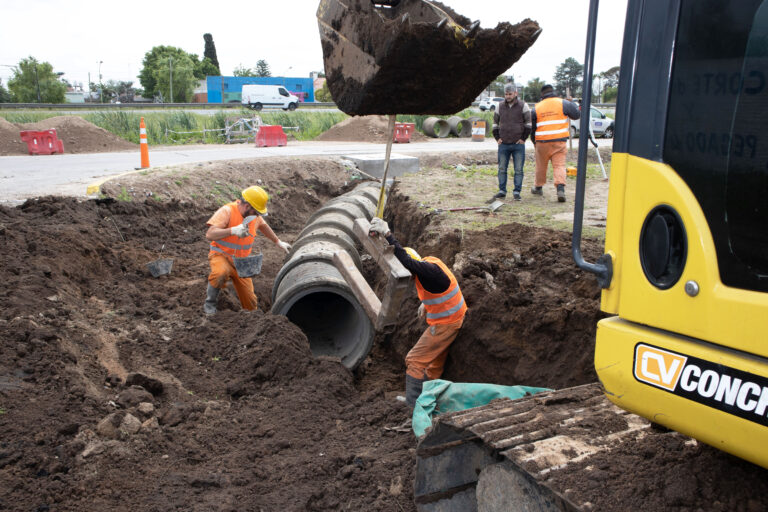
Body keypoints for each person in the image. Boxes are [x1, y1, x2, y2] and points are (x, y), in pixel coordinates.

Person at [368, 217, 467, 406]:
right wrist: (427, 305)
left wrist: (387, 234)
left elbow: (406, 260)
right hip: (455, 318)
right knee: (434, 364)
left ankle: (412, 406)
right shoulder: (431, 268)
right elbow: (442, 291)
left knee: (414, 360)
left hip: (446, 324)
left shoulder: (427, 271)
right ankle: (431, 398)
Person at [203, 185, 291, 315]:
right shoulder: (227, 211)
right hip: (221, 255)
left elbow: (264, 226)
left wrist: (277, 241)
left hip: (241, 262)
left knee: (250, 301)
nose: (257, 215)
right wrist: (232, 230)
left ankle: (251, 318)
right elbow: (210, 234)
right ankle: (210, 304)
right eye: (255, 212)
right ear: (247, 206)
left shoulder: (254, 215)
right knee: (220, 273)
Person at [530, 84, 581, 202]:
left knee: (541, 165)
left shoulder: (537, 107)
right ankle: (560, 189)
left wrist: (534, 142)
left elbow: (533, 128)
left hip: (542, 141)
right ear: (553, 92)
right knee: (559, 165)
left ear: (542, 95)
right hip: (559, 141)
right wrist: (572, 102)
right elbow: (577, 115)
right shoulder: (563, 103)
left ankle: (538, 187)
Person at [492, 84, 531, 201]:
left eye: (510, 94)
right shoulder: (499, 106)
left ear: (515, 93)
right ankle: (502, 191)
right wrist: (497, 137)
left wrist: (523, 139)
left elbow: (528, 124)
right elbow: (495, 123)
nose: (508, 96)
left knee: (518, 169)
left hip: (518, 144)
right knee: (502, 168)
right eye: (506, 94)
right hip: (503, 144)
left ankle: (517, 192)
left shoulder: (523, 106)